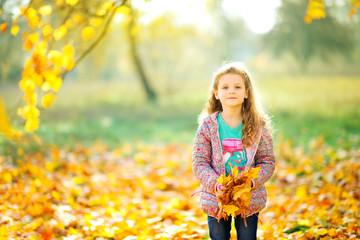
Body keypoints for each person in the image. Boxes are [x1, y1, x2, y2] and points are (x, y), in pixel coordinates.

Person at [192, 62, 275, 240]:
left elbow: (267, 161)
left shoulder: (257, 126)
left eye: (237, 87)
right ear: (216, 93)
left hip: (248, 198)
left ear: (246, 93)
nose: (231, 91)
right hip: (217, 198)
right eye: (225, 87)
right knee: (219, 237)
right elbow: (199, 162)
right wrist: (215, 183)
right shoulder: (207, 126)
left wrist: (251, 182)